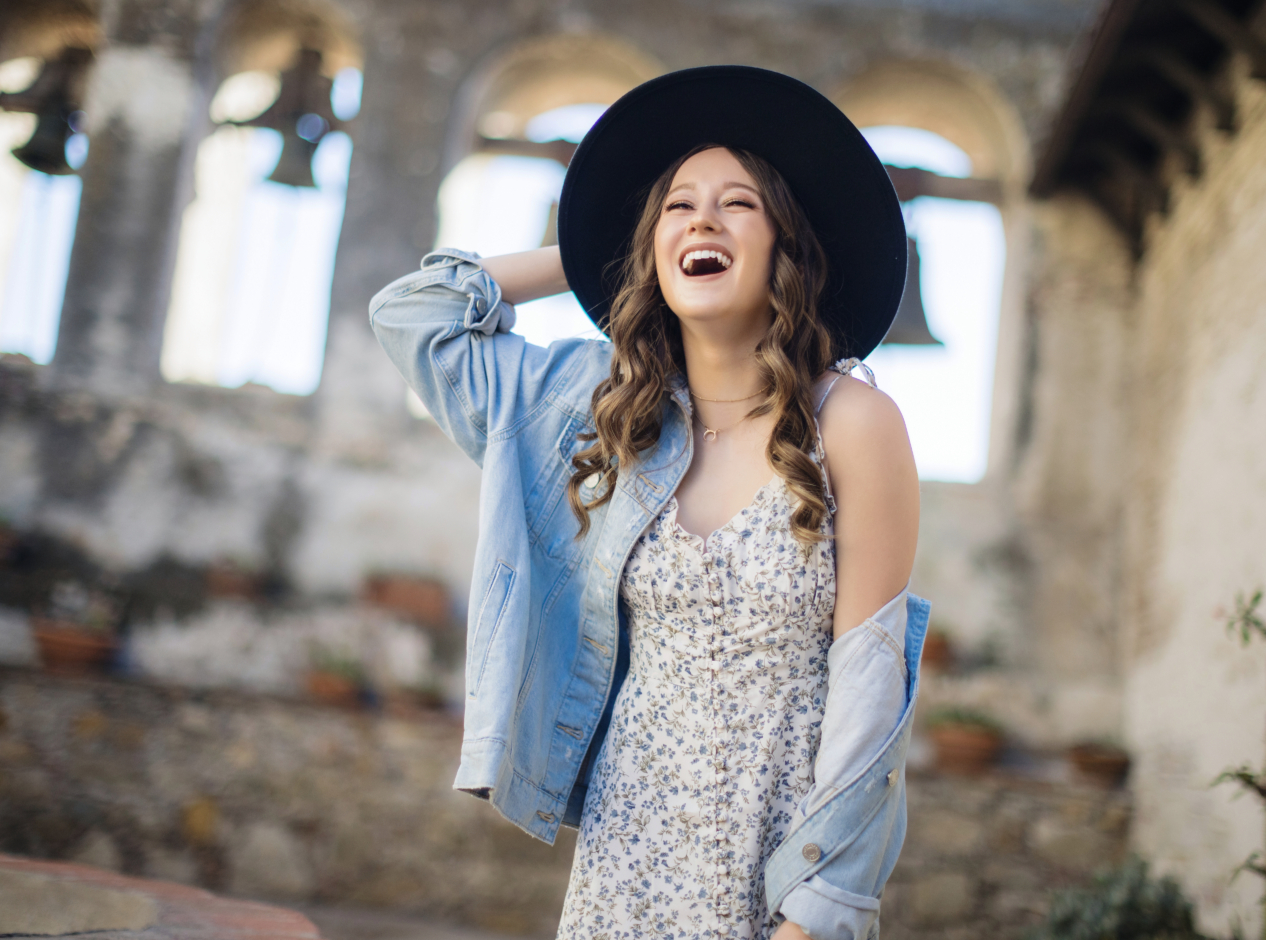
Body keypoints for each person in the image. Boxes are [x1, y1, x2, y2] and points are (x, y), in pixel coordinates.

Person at [371, 66, 929, 940]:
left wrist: (812, 919)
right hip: (624, 865)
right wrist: (599, 242)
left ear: (788, 243)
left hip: (779, 867)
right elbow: (415, 316)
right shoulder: (599, 413)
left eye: (738, 204)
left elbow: (871, 701)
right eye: (677, 206)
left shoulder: (852, 423)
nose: (703, 219)